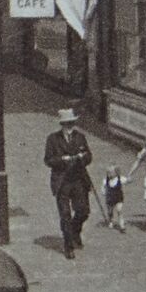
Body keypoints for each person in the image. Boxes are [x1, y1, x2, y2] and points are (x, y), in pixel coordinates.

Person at [43, 106, 94, 260]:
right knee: (65, 214)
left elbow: (89, 156)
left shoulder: (80, 137)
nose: (70, 126)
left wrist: (82, 158)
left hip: (79, 179)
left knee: (83, 211)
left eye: (72, 123)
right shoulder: (53, 139)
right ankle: (68, 246)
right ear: (62, 124)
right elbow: (48, 160)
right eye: (67, 123)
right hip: (62, 182)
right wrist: (62, 160)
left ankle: (74, 231)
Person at [101, 164, 128, 232]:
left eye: (111, 172)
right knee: (110, 211)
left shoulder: (120, 179)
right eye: (108, 173)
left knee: (119, 210)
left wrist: (129, 180)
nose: (109, 174)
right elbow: (103, 187)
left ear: (116, 173)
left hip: (118, 198)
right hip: (110, 198)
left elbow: (126, 180)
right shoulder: (106, 180)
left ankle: (122, 225)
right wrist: (103, 191)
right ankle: (111, 221)